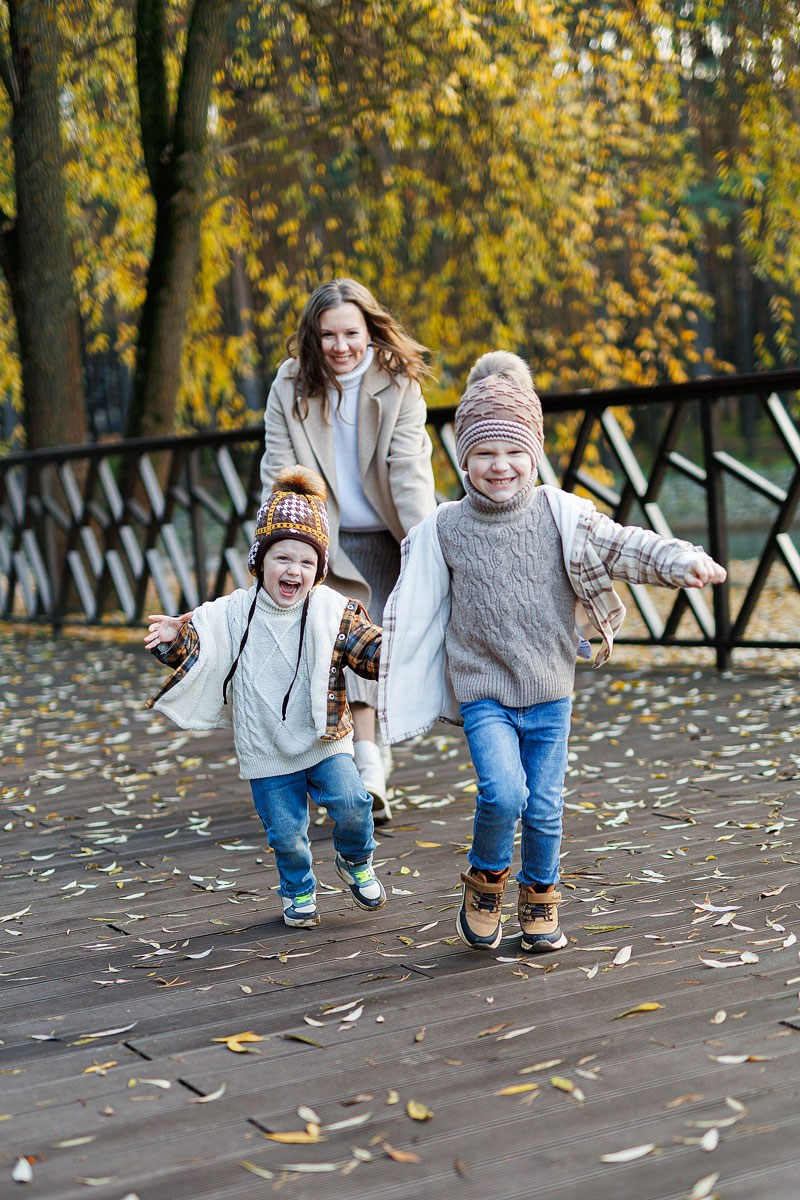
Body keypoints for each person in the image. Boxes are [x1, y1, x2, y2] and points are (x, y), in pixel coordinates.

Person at [378, 352, 727, 953]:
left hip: (549, 691)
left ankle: (541, 893)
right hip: (484, 689)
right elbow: (409, 609)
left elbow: (626, 547)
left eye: (514, 451)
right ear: (463, 458)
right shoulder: (445, 528)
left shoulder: (560, 515)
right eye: (484, 453)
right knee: (504, 793)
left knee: (543, 807)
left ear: (533, 453)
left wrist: (681, 560)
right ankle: (486, 879)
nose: (500, 466)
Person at [144, 465, 386, 930]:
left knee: (354, 803)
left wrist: (397, 651)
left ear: (319, 570)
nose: (293, 569)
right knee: (288, 834)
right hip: (267, 747)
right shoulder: (233, 612)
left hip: (323, 735)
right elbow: (200, 645)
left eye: (306, 561)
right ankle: (298, 889)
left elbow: (366, 649)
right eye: (282, 558)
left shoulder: (331, 610)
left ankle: (355, 859)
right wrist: (174, 638)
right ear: (259, 561)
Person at [259, 278, 437, 822]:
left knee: (382, 648)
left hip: (387, 536)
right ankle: (367, 768)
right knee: (341, 645)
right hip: (325, 539)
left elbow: (408, 473)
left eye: (351, 334)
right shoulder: (290, 385)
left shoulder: (398, 382)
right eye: (328, 334)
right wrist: (285, 548)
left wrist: (427, 547)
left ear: (370, 331)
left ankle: (369, 760)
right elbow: (281, 472)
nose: (341, 347)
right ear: (313, 336)